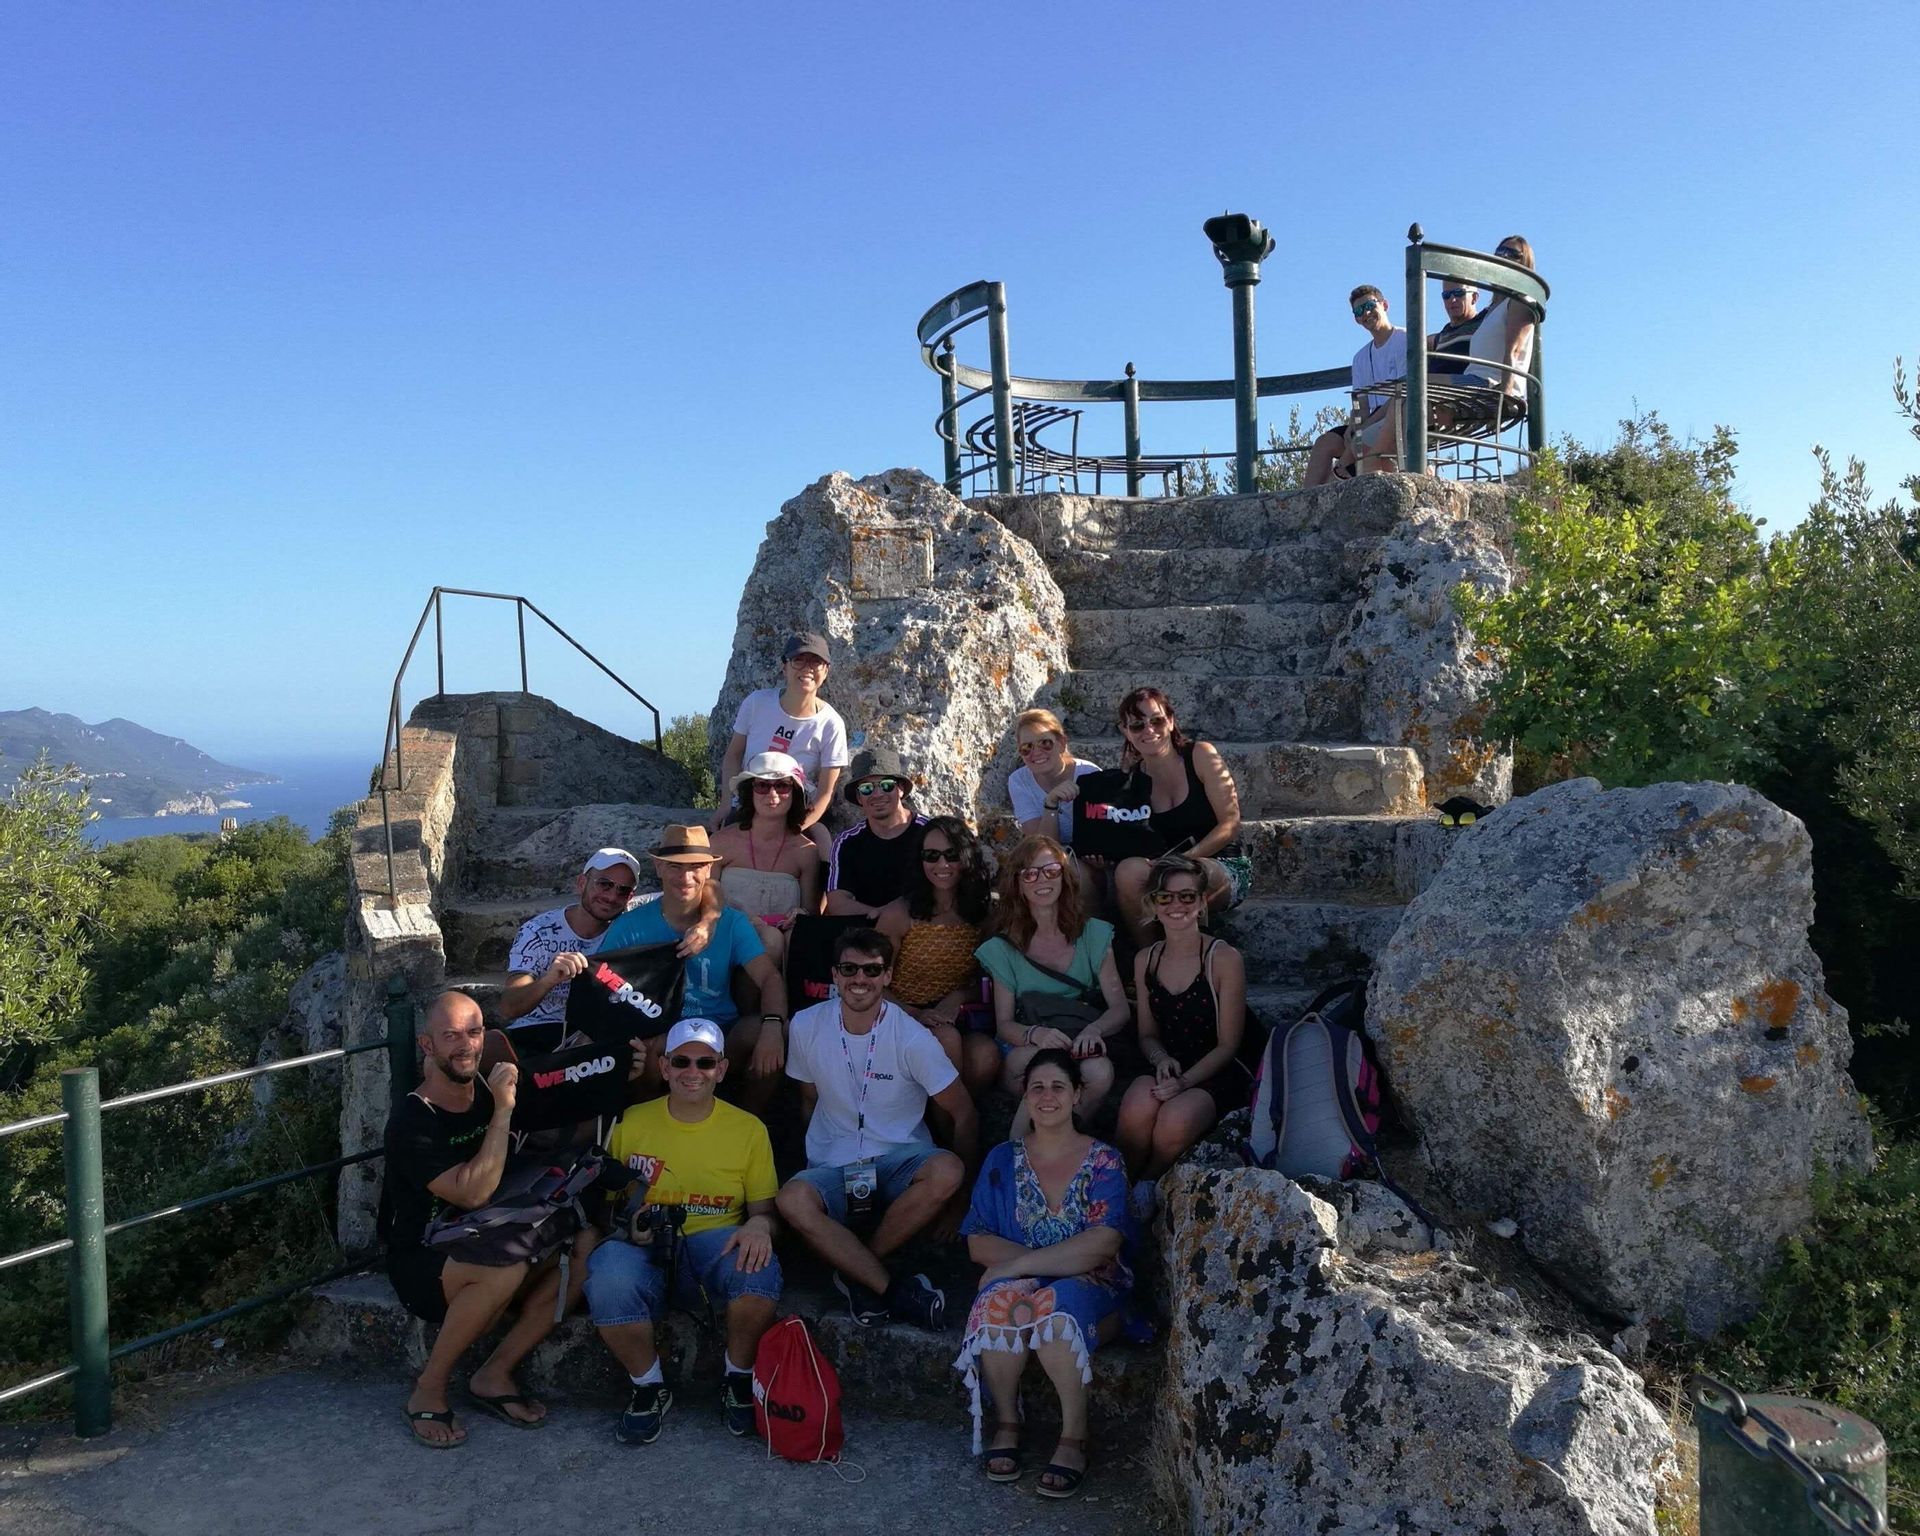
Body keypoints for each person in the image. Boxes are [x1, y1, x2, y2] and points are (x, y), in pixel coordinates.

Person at [384, 991, 601, 1447]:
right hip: (425, 1255)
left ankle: (495, 1372)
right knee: (504, 1268)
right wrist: (503, 1110)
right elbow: (472, 1191)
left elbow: (563, 1114)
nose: (466, 1045)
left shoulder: (484, 1086)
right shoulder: (413, 1118)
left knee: (585, 1248)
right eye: (451, 1036)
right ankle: (430, 1385)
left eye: (474, 1031)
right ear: (427, 1046)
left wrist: (626, 1072)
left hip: (491, 1231)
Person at [584, 1019, 782, 1445]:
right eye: (682, 1061)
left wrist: (761, 1226)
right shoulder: (631, 1122)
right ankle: (648, 1386)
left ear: (722, 1069)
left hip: (715, 1244)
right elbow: (601, 1201)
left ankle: (738, 1379)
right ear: (664, 1067)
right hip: (643, 1246)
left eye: (705, 1062)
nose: (694, 1071)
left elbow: (765, 1211)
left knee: (759, 1268)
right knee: (608, 1275)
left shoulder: (749, 1130)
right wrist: (625, 1225)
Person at [776, 928, 978, 1329]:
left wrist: (960, 1202)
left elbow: (965, 1112)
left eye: (872, 970)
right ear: (834, 974)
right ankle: (888, 1285)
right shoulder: (804, 1025)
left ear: (887, 977)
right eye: (849, 968)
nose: (860, 980)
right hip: (836, 1163)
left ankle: (855, 1267)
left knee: (947, 1170)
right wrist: (814, 1163)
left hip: (898, 1162)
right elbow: (808, 1098)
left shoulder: (913, 1038)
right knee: (791, 1200)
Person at [954, 1049, 1132, 1499]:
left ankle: (1074, 1437)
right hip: (1043, 1281)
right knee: (1000, 1304)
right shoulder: (1001, 1160)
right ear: (1025, 1097)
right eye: (1037, 1087)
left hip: (1095, 1288)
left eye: (1058, 1086)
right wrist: (1049, 1264)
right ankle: (1008, 1422)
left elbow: (1102, 1245)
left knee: (1053, 1314)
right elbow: (978, 1240)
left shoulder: (1105, 1161)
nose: (1047, 1096)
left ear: (1077, 1095)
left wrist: (1016, 1266)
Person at [600, 825, 787, 1109]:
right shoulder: (631, 926)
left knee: (765, 1032)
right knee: (646, 1049)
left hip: (720, 1030)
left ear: (709, 870)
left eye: (696, 866)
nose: (685, 877)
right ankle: (649, 1126)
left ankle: (749, 1124)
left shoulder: (731, 922)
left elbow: (770, 978)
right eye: (675, 866)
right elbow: (602, 984)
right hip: (662, 1031)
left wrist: (774, 1026)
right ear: (659, 867)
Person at [1114, 855, 1249, 1213]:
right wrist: (1161, 1060)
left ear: (1203, 902)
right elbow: (1146, 1034)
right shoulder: (1147, 959)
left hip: (1216, 1069)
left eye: (1187, 897)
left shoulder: (1223, 959)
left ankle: (1147, 1183)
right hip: (1170, 1064)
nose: (1176, 905)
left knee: (1174, 1119)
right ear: (1152, 904)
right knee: (1135, 1107)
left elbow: (1229, 1044)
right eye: (1165, 897)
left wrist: (1185, 1082)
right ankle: (1117, 1185)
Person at [500, 848, 714, 1054]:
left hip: (597, 1034)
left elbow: (706, 886)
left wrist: (707, 922)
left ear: (631, 897)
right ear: (581, 882)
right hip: (534, 1030)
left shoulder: (631, 918)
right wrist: (548, 980)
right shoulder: (538, 931)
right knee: (491, 1044)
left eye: (623, 890)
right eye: (604, 884)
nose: (612, 896)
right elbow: (509, 1007)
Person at [976, 834, 1128, 1121]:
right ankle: (1028, 1148)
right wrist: (1037, 1035)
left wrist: (1094, 1031)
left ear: (1064, 876)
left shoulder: (1094, 934)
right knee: (1036, 1068)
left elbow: (1120, 1008)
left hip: (1081, 1037)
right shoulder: (1002, 948)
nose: (1041, 880)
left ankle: (1065, 1138)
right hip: (1031, 1041)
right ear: (1018, 884)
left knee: (1099, 1071)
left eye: (1051, 871)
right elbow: (1004, 1024)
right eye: (1030, 874)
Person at [1109, 688, 1246, 948]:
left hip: (1220, 865)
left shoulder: (1200, 755)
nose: (1148, 730)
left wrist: (1187, 858)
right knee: (1128, 872)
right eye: (1137, 726)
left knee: (1184, 877)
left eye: (1156, 721)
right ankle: (1149, 958)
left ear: (1170, 721)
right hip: (1165, 868)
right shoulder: (1133, 779)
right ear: (1125, 731)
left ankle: (1193, 959)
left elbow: (1230, 823)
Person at [876, 814, 1000, 1095]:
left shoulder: (984, 913)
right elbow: (873, 982)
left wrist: (957, 998)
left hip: (961, 1014)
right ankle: (955, 1128)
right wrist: (915, 1013)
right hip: (902, 1013)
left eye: (951, 855)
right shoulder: (899, 914)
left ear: (966, 856)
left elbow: (988, 973)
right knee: (946, 1041)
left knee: (985, 1057)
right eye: (931, 856)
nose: (942, 865)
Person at [713, 632, 849, 853]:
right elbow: (734, 755)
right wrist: (726, 804)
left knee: (822, 846)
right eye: (798, 660)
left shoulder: (830, 724)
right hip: (750, 802)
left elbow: (825, 792)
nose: (807, 668)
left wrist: (796, 827)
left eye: (816, 662)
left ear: (826, 671)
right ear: (784, 667)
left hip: (795, 809)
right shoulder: (757, 703)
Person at [711, 750, 823, 977]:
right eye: (762, 785)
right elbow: (705, 899)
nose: (772, 794)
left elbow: (812, 911)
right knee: (770, 941)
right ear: (749, 791)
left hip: (784, 947)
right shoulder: (721, 842)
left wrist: (799, 914)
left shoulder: (806, 852)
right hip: (726, 938)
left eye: (782, 786)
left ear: (795, 793)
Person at [1303, 284, 1408, 486]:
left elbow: (1402, 394)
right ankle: (1305, 500)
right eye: (1359, 311)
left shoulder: (1404, 339)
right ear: (1356, 319)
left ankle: (1332, 485)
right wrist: (1353, 425)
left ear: (1384, 305)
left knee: (1355, 448)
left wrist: (1363, 427)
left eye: (1369, 305)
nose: (1366, 313)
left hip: (1396, 416)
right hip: (1370, 420)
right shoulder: (1360, 357)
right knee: (1325, 444)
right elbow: (1361, 402)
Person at [823, 747, 929, 918]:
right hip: (869, 932)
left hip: (923, 926)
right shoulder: (847, 842)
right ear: (859, 797)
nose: (877, 794)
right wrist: (884, 917)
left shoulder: (930, 833)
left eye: (887, 786)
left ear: (900, 789)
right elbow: (837, 902)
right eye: (867, 788)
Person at [1458, 236, 1538, 415]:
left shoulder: (1520, 301)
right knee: (1405, 394)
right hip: (1475, 380)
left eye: (1513, 254)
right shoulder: (1493, 310)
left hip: (1490, 383)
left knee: (1415, 387)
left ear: (1525, 262)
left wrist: (1505, 397)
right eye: (1500, 252)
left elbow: (1514, 351)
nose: (1504, 256)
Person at [1008, 708, 1100, 846]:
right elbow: (1041, 846)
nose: (1036, 753)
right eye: (1027, 747)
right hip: (1053, 857)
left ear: (1062, 744)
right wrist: (1050, 804)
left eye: (1045, 743)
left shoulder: (1090, 774)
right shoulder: (1019, 781)